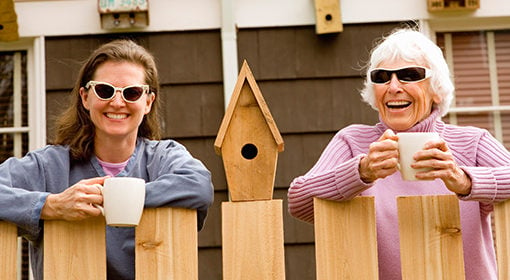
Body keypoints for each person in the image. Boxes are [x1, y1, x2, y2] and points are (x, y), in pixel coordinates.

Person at [287, 28, 510, 279]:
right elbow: (300, 203)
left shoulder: (472, 143)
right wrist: (361, 172)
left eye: (409, 75)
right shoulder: (353, 142)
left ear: (435, 87)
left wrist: (465, 181)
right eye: (382, 77)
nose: (393, 87)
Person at [0, 39, 214, 279]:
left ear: (148, 102)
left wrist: (117, 196)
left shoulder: (164, 158)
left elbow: (199, 185)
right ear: (85, 97)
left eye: (132, 93)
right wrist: (50, 205)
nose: (117, 102)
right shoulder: (48, 166)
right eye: (105, 90)